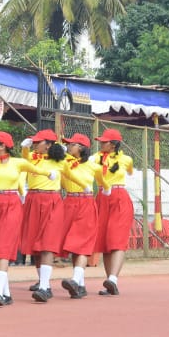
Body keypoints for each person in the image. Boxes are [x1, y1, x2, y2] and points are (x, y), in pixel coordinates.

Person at [0, 131, 55, 306]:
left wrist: (49, 174)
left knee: (3, 244)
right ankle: (5, 292)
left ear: (3, 146)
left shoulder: (18, 163)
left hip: (10, 204)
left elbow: (36, 169)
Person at [17, 129, 68, 302]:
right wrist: (24, 148)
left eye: (38, 142)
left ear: (48, 145)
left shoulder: (60, 161)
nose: (35, 144)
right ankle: (42, 282)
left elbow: (74, 171)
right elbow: (24, 159)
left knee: (47, 243)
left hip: (51, 201)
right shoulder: (33, 157)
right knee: (35, 244)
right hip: (32, 199)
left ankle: (45, 286)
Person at [58, 133, 101, 299]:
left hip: (85, 203)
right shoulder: (65, 163)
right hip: (68, 202)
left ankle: (76, 280)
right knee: (72, 245)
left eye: (72, 144)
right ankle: (80, 286)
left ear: (81, 148)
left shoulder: (92, 166)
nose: (69, 146)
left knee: (81, 242)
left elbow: (105, 181)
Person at [92, 128, 134, 296]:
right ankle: (109, 281)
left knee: (117, 238)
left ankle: (113, 280)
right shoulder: (95, 158)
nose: (101, 143)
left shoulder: (126, 159)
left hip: (119, 197)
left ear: (113, 144)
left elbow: (130, 172)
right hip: (102, 196)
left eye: (104, 141)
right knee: (104, 241)